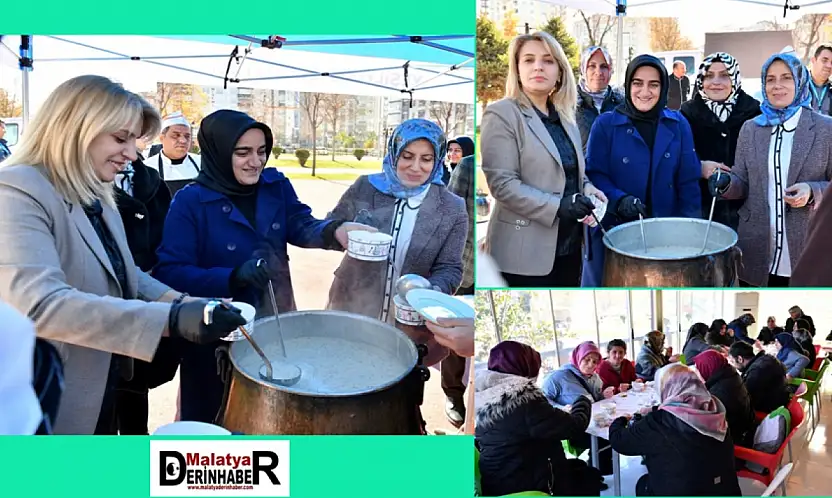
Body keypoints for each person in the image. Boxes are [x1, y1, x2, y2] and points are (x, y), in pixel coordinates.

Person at [0, 75, 246, 434]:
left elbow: (125, 271)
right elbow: (39, 307)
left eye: (134, 141)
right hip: (50, 399)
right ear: (75, 128)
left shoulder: (95, 191)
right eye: (121, 138)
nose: (132, 154)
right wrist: (171, 321)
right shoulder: (17, 190)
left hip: (108, 380)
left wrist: (188, 303)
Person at [152, 109, 373, 424]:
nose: (255, 161)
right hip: (214, 329)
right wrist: (232, 276)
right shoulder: (190, 201)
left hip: (274, 315)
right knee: (210, 417)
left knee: (273, 415)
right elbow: (169, 271)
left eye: (261, 151)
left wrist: (334, 231)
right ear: (218, 152)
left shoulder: (274, 184)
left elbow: (299, 222)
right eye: (242, 152)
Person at [325, 118, 466, 369]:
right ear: (393, 153)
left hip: (409, 322)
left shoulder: (452, 207)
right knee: (340, 372)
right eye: (407, 156)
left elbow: (451, 268)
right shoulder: (365, 187)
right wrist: (343, 232)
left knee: (396, 393)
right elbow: (329, 228)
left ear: (438, 160)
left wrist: (430, 291)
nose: (415, 167)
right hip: (351, 306)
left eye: (426, 159)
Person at [480, 31, 606, 287]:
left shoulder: (566, 117)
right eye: (529, 60)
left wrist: (589, 189)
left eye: (548, 60)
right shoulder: (502, 113)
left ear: (560, 71)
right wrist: (558, 206)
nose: (538, 66)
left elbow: (574, 173)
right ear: (517, 68)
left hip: (570, 249)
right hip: (521, 255)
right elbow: (503, 185)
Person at [709, 52, 832, 287]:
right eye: (770, 79)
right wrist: (725, 183)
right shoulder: (750, 129)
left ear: (800, 81)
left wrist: (812, 191)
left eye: (786, 78)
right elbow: (742, 182)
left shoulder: (826, 129)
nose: (777, 86)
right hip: (756, 249)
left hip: (806, 245)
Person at [582, 55, 701, 287]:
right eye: (637, 83)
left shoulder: (677, 124)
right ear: (628, 85)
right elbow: (595, 175)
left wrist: (690, 233)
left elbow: (688, 182)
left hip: (666, 234)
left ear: (663, 87)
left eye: (653, 84)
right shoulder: (606, 125)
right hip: (614, 231)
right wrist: (619, 200)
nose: (644, 91)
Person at [110, 149, 180, 435]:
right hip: (92, 328)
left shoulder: (149, 178)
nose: (129, 149)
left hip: (144, 297)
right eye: (119, 136)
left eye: (132, 137)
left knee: (135, 392)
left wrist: (179, 302)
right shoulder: (62, 187)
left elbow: (166, 240)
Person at [475, 341, 604, 496]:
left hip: (499, 479)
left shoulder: (484, 397)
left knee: (580, 468)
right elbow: (574, 426)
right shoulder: (523, 399)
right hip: (526, 483)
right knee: (590, 478)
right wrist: (582, 401)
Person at [608, 364, 742, 496]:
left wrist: (619, 421)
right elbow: (686, 410)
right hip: (724, 488)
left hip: (685, 491)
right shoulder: (714, 407)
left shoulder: (658, 422)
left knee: (643, 485)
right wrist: (656, 409)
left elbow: (619, 441)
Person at [680, 52, 761, 230]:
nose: (716, 82)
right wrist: (698, 166)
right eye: (709, 75)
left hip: (745, 213)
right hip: (700, 212)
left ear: (735, 79)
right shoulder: (686, 114)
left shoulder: (755, 113)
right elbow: (674, 159)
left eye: (725, 75)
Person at [542, 341, 615, 475]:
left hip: (593, 420)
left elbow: (595, 400)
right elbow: (542, 399)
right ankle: (595, 470)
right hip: (574, 424)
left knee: (611, 431)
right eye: (587, 360)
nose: (591, 365)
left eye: (594, 361)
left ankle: (601, 469)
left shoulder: (595, 377)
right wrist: (561, 408)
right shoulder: (558, 377)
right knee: (602, 438)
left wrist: (603, 395)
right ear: (578, 357)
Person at [442, 154, 475, 427]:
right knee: (456, 330)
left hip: (503, 267)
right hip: (465, 266)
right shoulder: (468, 167)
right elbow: (449, 215)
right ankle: (453, 394)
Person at [693, 350, 755, 446]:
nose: (697, 372)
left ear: (708, 369)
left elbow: (707, 426)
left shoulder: (718, 393)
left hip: (731, 439)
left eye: (699, 368)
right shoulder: (731, 375)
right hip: (744, 427)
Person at [576, 45, 624, 150]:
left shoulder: (622, 105)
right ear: (583, 69)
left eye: (604, 67)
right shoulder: (571, 104)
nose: (598, 72)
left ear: (610, 70)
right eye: (592, 66)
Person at [145, 112, 201, 197]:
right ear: (162, 138)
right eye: (176, 135)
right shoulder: (147, 168)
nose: (183, 140)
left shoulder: (202, 163)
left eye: (187, 136)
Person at [728, 342, 791, 414]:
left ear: (740, 359)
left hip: (771, 412)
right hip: (782, 401)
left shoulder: (756, 371)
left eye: (733, 361)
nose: (734, 366)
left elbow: (747, 399)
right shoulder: (768, 359)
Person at [808, 44, 832, 115]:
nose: (829, 66)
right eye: (824, 60)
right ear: (813, 60)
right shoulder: (799, 87)